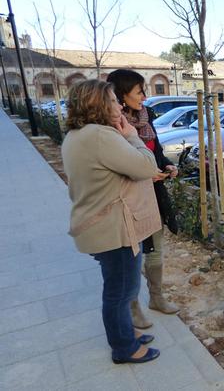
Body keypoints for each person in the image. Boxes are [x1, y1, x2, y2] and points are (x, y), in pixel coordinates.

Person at [62, 79, 161, 364]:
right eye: (113, 100)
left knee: (118, 287)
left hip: (99, 226)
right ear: (98, 105)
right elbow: (146, 167)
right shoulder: (100, 136)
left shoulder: (77, 134)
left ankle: (125, 335)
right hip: (112, 230)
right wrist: (131, 134)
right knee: (121, 292)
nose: (119, 105)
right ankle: (124, 348)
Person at [107, 69, 180, 330]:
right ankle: (133, 305)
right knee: (131, 255)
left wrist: (168, 167)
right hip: (129, 201)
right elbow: (118, 168)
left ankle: (157, 298)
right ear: (121, 96)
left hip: (154, 197)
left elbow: (155, 154)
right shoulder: (111, 128)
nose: (145, 97)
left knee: (156, 250)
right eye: (139, 92)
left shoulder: (145, 119)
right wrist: (145, 175)